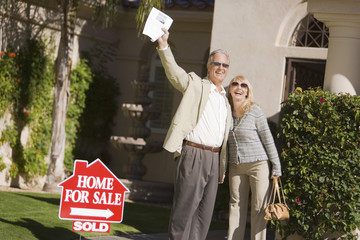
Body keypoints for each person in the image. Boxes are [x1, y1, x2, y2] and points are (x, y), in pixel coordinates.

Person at [156, 28, 232, 240]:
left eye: (225, 65)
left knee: (203, 216)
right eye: (217, 63)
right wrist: (163, 45)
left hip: (214, 160)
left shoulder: (225, 101)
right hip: (194, 154)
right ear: (209, 66)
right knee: (184, 212)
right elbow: (175, 73)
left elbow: (223, 137)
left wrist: (222, 165)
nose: (221, 68)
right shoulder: (196, 85)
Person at [226, 75, 282, 240]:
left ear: (247, 92)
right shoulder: (226, 110)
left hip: (258, 165)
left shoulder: (254, 110)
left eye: (244, 85)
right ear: (230, 89)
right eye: (235, 84)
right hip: (235, 166)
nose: (239, 87)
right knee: (235, 205)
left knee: (259, 208)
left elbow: (268, 139)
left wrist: (276, 166)